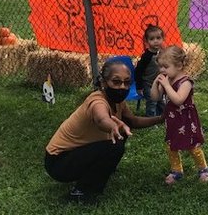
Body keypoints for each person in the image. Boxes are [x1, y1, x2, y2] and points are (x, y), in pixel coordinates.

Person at [44, 58, 163, 202]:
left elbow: (133, 121)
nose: (122, 87)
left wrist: (162, 118)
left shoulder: (118, 102)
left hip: (72, 156)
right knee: (114, 145)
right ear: (103, 82)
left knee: (121, 135)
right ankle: (80, 192)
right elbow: (101, 119)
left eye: (126, 82)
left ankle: (100, 171)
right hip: (58, 162)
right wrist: (113, 125)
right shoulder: (97, 101)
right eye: (116, 81)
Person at [150, 45, 208, 184]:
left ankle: (203, 169)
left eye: (165, 67)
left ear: (179, 66)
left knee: (192, 145)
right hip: (172, 118)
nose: (162, 70)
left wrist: (166, 86)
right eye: (160, 67)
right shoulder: (167, 79)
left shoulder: (186, 82)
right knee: (171, 145)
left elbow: (178, 100)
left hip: (186, 119)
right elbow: (155, 97)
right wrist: (156, 82)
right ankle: (177, 171)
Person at [134, 24, 165, 117]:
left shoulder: (163, 53)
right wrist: (139, 87)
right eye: (152, 39)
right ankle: (150, 119)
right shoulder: (146, 56)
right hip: (148, 84)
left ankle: (161, 117)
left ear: (162, 39)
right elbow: (138, 71)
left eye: (158, 38)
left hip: (160, 82)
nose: (155, 41)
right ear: (147, 41)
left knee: (161, 101)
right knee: (152, 101)